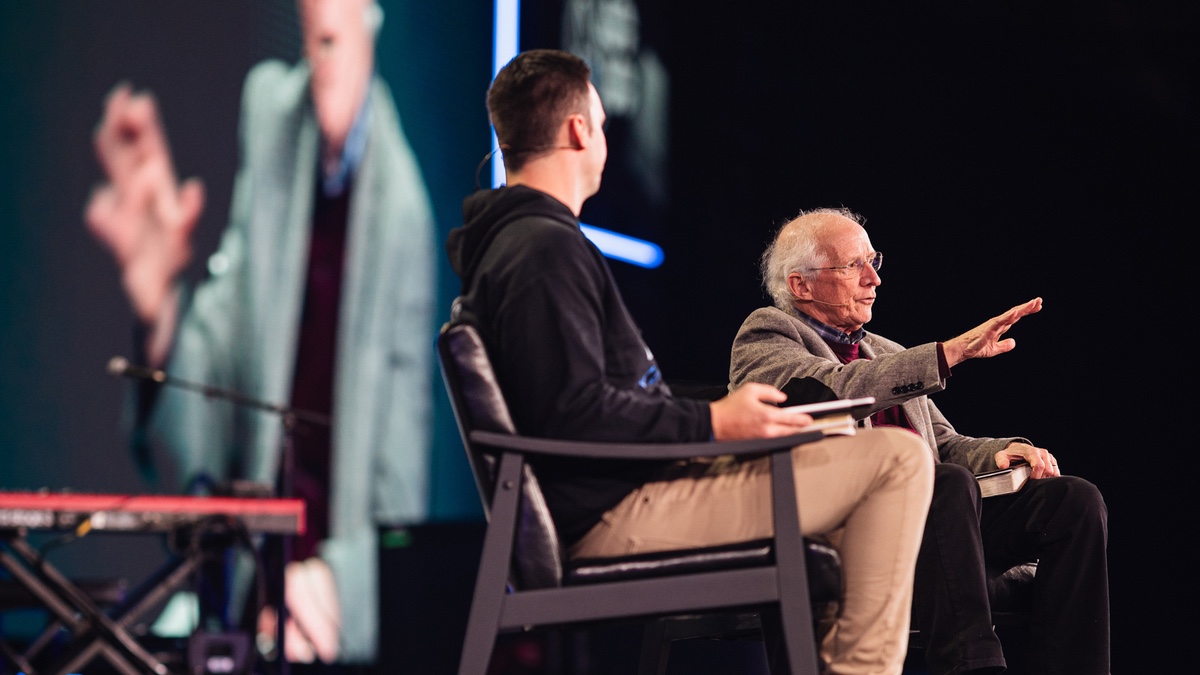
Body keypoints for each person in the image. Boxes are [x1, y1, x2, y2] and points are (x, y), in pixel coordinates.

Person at [446, 49, 934, 675]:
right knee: (894, 460)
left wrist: (716, 421)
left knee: (844, 467)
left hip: (623, 490)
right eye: (599, 122)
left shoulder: (518, 244)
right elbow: (573, 412)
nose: (603, 137)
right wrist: (713, 426)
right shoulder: (542, 250)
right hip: (615, 511)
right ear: (577, 131)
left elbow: (581, 402)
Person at [84, 0, 436, 667]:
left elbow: (399, 491)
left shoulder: (403, 215)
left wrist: (337, 586)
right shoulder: (272, 119)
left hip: (325, 621)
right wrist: (160, 308)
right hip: (243, 593)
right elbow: (213, 401)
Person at [729, 207, 1110, 675]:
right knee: (943, 482)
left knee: (1073, 500)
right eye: (853, 266)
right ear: (801, 285)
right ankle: (973, 667)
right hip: (849, 527)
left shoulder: (886, 351)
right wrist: (948, 353)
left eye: (874, 262)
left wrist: (999, 452)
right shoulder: (768, 333)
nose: (874, 279)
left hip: (938, 521)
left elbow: (945, 442)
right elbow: (834, 387)